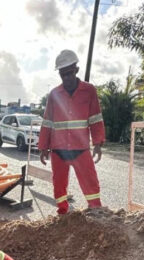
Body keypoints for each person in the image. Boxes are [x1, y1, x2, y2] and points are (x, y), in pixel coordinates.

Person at [37, 49, 106, 215]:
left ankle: (95, 209)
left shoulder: (89, 91)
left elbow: (95, 118)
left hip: (80, 148)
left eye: (69, 73)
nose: (66, 78)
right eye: (63, 74)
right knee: (59, 184)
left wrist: (98, 143)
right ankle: (62, 213)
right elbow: (47, 122)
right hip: (58, 149)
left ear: (76, 70)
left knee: (90, 181)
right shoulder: (54, 94)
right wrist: (43, 147)